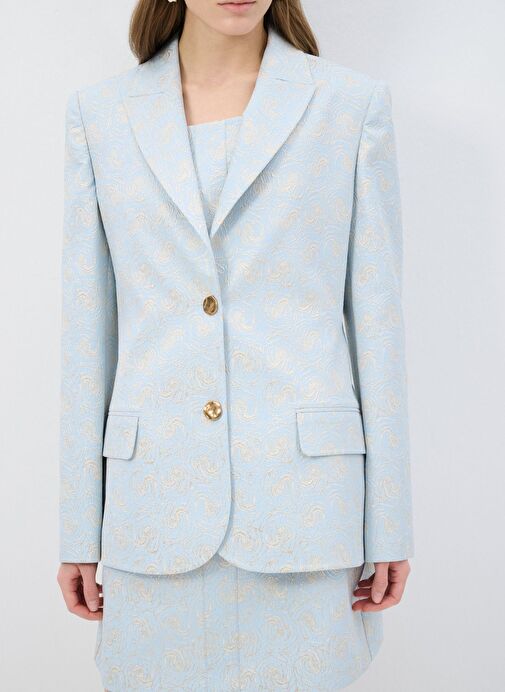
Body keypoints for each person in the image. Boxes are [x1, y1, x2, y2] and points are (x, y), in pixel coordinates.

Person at [57, 1, 414, 689]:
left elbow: (379, 326)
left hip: (305, 508)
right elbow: (86, 335)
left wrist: (390, 521)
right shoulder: (99, 116)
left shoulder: (350, 106)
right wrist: (79, 525)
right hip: (153, 509)